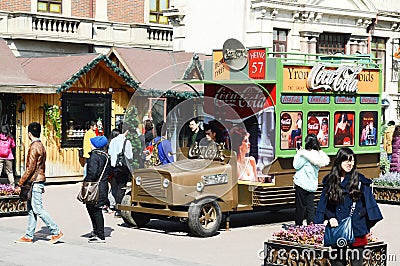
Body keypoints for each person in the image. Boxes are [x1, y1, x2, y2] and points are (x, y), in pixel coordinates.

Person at [315, 148, 383, 266]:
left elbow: (370, 205)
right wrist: (330, 217)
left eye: (351, 160)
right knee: (337, 262)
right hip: (338, 227)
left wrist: (362, 219)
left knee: (357, 262)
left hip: (357, 227)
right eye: (345, 160)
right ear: (339, 161)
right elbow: (324, 204)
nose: (349, 163)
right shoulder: (331, 181)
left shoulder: (360, 181)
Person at [14, 122, 64, 244]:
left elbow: (30, 168)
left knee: (38, 208)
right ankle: (29, 235)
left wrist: (20, 183)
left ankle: (56, 231)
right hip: (37, 181)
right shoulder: (41, 145)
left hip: (35, 182)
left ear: (29, 134)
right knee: (31, 209)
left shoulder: (34, 147)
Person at [292, 133, 330, 226]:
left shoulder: (304, 155)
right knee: (310, 207)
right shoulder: (317, 155)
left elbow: (296, 165)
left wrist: (298, 154)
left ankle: (298, 225)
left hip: (301, 183)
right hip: (312, 185)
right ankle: (311, 225)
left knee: (300, 206)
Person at [84, 136, 111, 243]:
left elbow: (92, 173)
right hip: (103, 185)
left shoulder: (94, 156)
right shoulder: (106, 156)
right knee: (95, 208)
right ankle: (96, 232)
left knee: (95, 209)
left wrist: (86, 181)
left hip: (94, 186)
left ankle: (100, 234)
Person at [108, 128, 133, 217]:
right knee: (121, 188)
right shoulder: (126, 141)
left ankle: (114, 205)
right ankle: (119, 209)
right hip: (122, 167)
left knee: (114, 187)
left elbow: (110, 153)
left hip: (113, 167)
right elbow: (130, 156)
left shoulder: (113, 140)